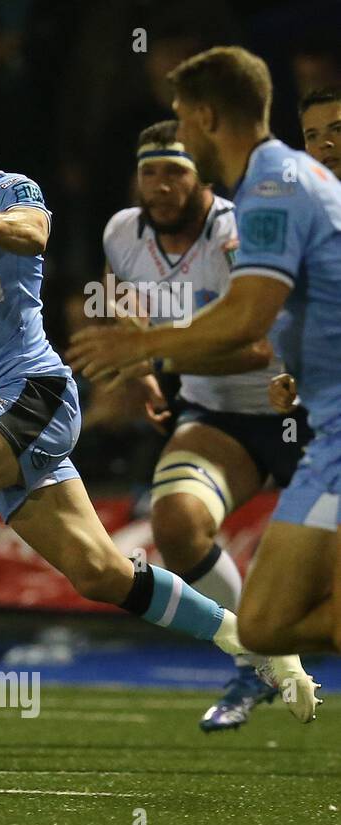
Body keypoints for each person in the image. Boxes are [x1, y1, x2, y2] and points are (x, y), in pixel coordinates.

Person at [0, 73, 316, 742]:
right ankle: (256, 648)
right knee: (99, 573)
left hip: (33, 392)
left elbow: (32, 234)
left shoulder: (12, 189)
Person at [69, 46, 341, 659]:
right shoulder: (283, 181)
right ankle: (267, 670)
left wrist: (147, 352)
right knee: (265, 628)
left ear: (209, 117)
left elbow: (249, 320)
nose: (181, 136)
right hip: (304, 422)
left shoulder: (271, 190)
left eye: (184, 119)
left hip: (319, 426)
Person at [101, 119, 308, 731]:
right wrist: (141, 359)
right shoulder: (122, 231)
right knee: (177, 524)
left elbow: (255, 345)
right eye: (150, 171)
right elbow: (126, 294)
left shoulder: (237, 230)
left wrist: (154, 356)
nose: (160, 186)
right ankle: (259, 656)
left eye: (175, 171)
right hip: (218, 416)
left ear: (205, 180)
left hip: (304, 408)